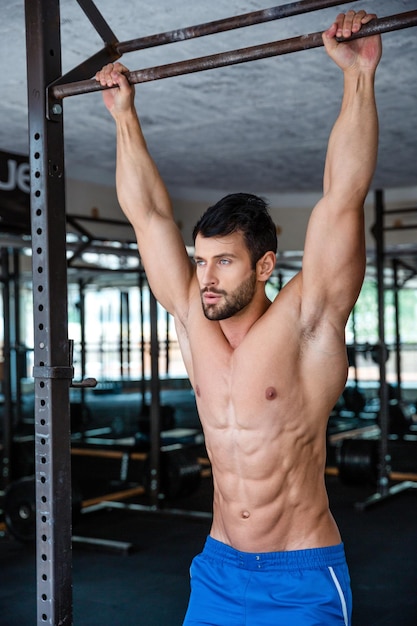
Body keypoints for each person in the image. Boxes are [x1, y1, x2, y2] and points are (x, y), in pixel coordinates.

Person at [96, 9, 382, 625]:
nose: (206, 277)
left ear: (264, 265)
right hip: (218, 570)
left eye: (224, 261)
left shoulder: (308, 323)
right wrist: (124, 117)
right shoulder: (192, 316)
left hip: (301, 574)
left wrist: (359, 78)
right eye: (201, 260)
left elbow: (343, 197)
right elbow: (146, 215)